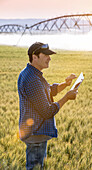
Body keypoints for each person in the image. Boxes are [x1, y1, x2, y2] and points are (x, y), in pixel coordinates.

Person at [18, 42, 78, 170]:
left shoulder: (31, 74)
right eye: (45, 55)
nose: (49, 58)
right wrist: (67, 97)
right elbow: (47, 111)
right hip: (36, 135)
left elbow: (48, 90)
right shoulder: (32, 79)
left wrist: (65, 84)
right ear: (34, 57)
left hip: (36, 134)